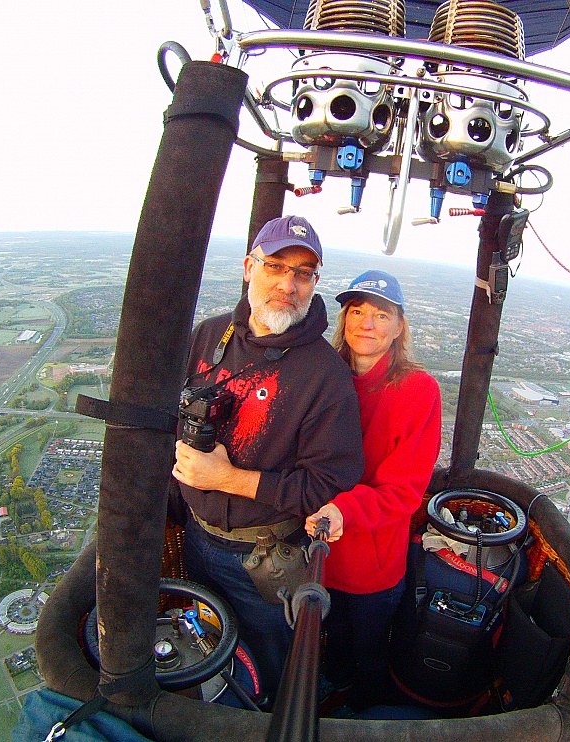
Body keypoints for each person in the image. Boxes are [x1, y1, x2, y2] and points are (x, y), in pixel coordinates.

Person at [170, 215, 364, 703]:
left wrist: (229, 479)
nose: (287, 284)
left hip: (264, 562)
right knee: (203, 646)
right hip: (196, 537)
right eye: (275, 266)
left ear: (314, 283)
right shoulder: (209, 336)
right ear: (248, 268)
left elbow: (330, 482)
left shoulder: (325, 375)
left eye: (303, 273)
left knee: (270, 665)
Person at [304, 269, 442, 712]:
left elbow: (404, 491)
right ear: (344, 320)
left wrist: (344, 510)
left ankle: (366, 713)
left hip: (371, 564)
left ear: (399, 327)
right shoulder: (322, 377)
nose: (366, 323)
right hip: (316, 554)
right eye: (357, 311)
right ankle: (335, 695)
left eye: (381, 315)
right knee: (332, 642)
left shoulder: (417, 391)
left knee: (369, 652)